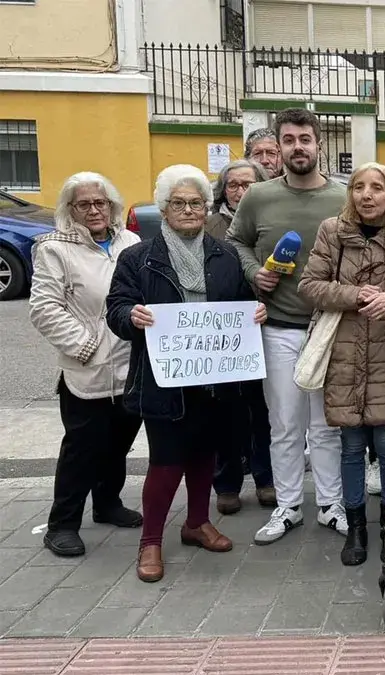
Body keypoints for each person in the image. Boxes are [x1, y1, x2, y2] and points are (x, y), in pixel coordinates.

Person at [106, 164, 268, 583]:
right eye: (178, 203)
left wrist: (255, 313)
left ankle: (197, 522)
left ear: (207, 207)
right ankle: (150, 541)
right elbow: (116, 308)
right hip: (165, 382)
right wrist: (130, 316)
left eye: (196, 202)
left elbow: (241, 302)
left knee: (204, 455)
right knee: (166, 462)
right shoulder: (138, 258)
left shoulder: (225, 254)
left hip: (215, 381)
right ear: (163, 209)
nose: (189, 210)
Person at [228, 107, 350, 545]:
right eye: (289, 140)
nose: (298, 147)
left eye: (305, 139)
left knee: (327, 425)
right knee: (283, 424)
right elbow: (236, 242)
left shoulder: (343, 198)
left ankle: (331, 504)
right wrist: (253, 272)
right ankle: (289, 506)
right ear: (278, 147)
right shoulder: (258, 197)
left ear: (319, 144)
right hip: (277, 327)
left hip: (329, 328)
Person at [298, 162, 385, 566]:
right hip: (344, 352)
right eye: (358, 187)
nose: (366, 195)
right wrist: (354, 295)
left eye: (376, 187)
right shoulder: (332, 231)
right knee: (351, 446)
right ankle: (356, 526)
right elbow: (309, 285)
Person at [29, 172, 143, 558]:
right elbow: (45, 309)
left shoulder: (130, 242)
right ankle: (62, 525)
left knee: (119, 443)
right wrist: (87, 346)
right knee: (82, 449)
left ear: (112, 206)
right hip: (88, 368)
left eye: (101, 203)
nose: (94, 210)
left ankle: (107, 503)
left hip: (130, 363)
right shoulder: (54, 249)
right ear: (70, 209)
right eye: (84, 204)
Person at [208, 159, 277, 515]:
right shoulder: (210, 225)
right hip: (223, 332)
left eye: (247, 184)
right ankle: (227, 483)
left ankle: (267, 479)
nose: (240, 191)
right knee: (225, 411)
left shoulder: (270, 219)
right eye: (233, 185)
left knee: (262, 409)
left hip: (265, 324)